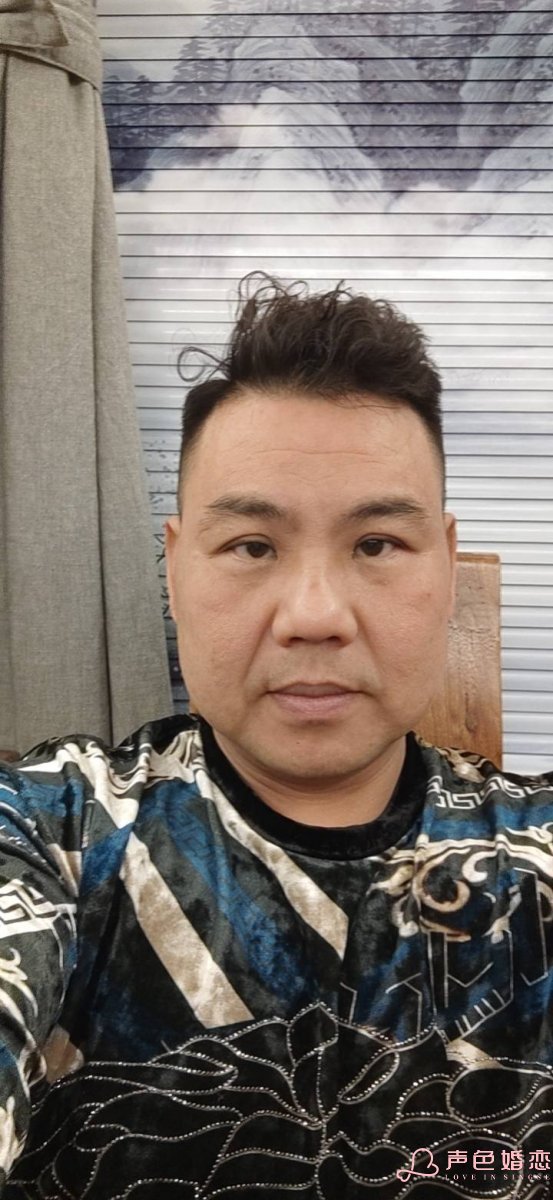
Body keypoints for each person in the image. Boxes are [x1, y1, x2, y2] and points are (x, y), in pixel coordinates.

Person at [0, 274, 551, 1199]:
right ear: (175, 569)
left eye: (375, 545)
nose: (313, 616)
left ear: (445, 565)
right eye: (252, 546)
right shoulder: (52, 834)